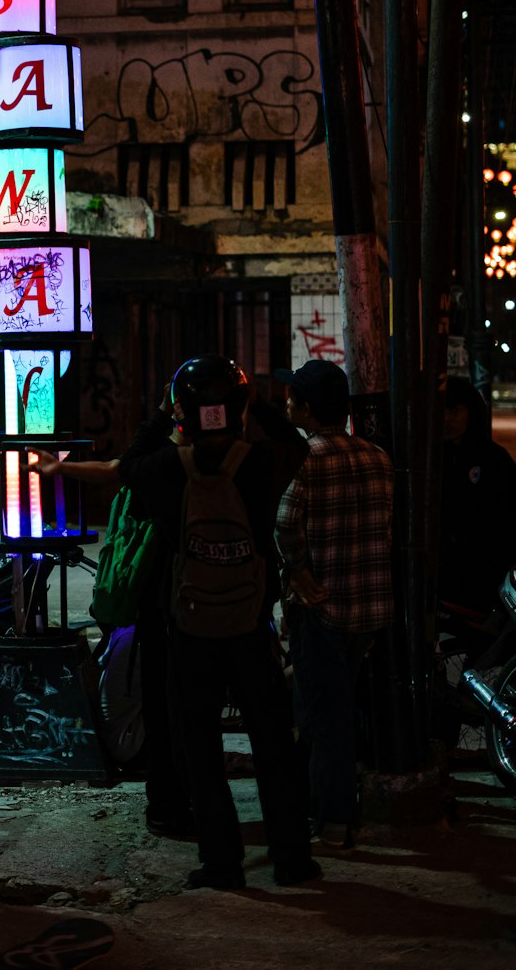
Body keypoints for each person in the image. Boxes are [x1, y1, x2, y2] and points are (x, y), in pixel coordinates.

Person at [120, 354, 317, 891]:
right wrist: (261, 407)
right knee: (272, 741)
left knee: (200, 748)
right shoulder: (261, 462)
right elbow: (298, 446)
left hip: (189, 627)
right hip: (250, 625)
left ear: (183, 406)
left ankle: (222, 863)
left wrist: (162, 417)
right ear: (238, 406)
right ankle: (292, 857)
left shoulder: (166, 468)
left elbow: (127, 467)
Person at [31, 450, 195, 840]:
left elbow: (113, 468)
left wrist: (61, 467)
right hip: (132, 747)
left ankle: (168, 806)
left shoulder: (126, 627)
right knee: (175, 714)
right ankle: (174, 807)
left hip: (124, 740)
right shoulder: (148, 631)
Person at [273, 358, 394, 851]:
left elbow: (284, 523)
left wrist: (299, 571)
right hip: (368, 610)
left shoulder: (305, 460)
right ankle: (320, 806)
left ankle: (334, 822)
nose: (285, 403)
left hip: (321, 610)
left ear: (306, 408)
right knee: (332, 709)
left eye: (291, 397)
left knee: (325, 720)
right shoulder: (378, 458)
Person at [438, 375, 516, 617]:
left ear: (470, 412)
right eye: (442, 410)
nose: (447, 419)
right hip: (442, 577)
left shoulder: (494, 459)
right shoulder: (431, 457)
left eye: (454, 410)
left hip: (485, 576)